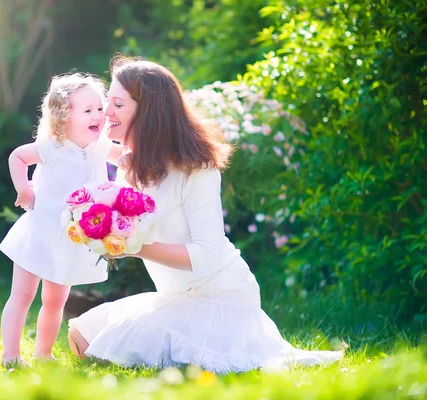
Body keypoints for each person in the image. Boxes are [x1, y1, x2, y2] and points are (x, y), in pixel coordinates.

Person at [67, 57, 343, 373]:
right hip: (174, 297)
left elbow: (208, 254)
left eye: (117, 104)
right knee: (81, 335)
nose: (107, 113)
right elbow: (79, 149)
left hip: (219, 297)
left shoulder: (195, 169)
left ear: (147, 112)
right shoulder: (130, 169)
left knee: (113, 347)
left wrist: (133, 246)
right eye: (106, 103)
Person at [0, 73, 123, 367]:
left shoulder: (99, 148)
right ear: (64, 116)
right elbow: (18, 157)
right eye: (87, 110)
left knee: (55, 302)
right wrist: (24, 188)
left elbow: (127, 159)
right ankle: (11, 356)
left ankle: (43, 354)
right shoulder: (51, 146)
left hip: (70, 239)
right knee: (23, 295)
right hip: (39, 233)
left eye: (99, 108)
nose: (97, 115)